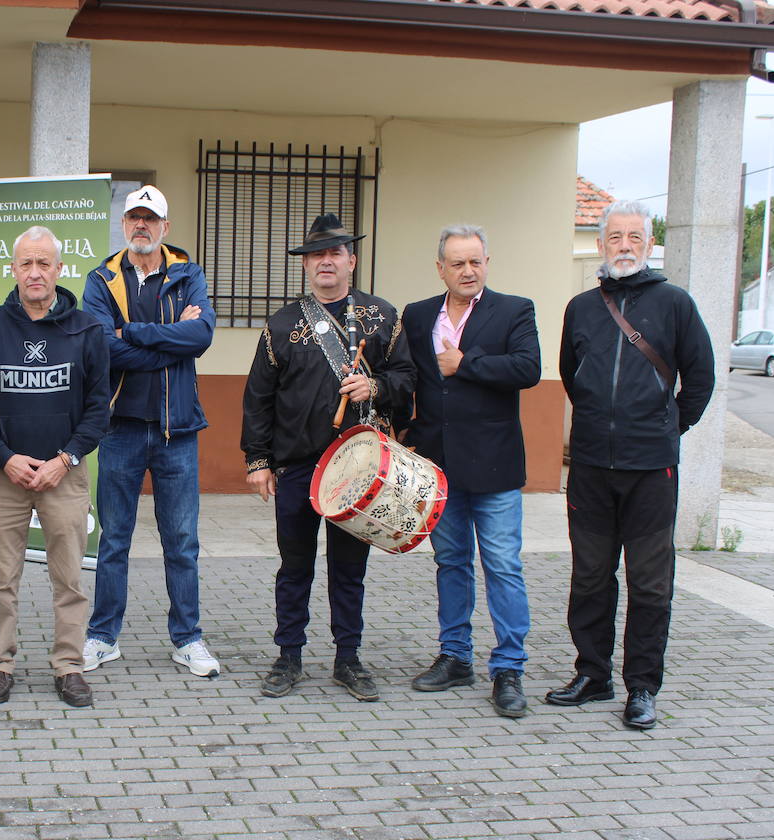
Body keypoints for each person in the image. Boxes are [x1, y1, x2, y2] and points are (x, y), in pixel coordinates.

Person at [547, 199, 713, 730]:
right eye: (614, 237)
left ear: (648, 244)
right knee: (591, 576)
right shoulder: (582, 307)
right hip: (592, 466)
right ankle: (593, 675)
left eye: (634, 238)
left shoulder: (675, 304)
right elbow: (571, 376)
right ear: (600, 244)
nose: (623, 246)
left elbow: (701, 380)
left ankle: (642, 686)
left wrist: (666, 428)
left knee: (650, 582)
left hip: (651, 469)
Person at [241, 213, 415, 701]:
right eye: (317, 254)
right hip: (297, 466)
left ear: (351, 261)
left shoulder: (383, 317)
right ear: (306, 265)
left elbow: (407, 379)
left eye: (335, 253)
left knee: (349, 569)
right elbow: (259, 397)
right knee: (294, 566)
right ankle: (289, 655)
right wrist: (258, 461)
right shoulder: (282, 324)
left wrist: (375, 385)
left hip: (360, 469)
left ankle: (348, 659)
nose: (325, 262)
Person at [0, 226, 109, 707]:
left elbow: (98, 410)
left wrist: (64, 459)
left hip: (63, 475)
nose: (35, 272)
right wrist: (5, 459)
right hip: (3, 476)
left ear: (59, 270)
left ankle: (69, 666)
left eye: (44, 263)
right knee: (1, 579)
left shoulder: (86, 329)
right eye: (26, 263)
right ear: (13, 269)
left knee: (69, 578)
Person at [400, 225, 541, 718]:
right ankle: (455, 656)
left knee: (503, 565)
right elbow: (408, 377)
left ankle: (509, 667)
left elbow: (527, 369)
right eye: (457, 263)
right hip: (439, 464)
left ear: (487, 262)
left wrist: (467, 363)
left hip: (496, 465)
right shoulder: (417, 315)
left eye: (475, 261)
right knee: (451, 563)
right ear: (440, 267)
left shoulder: (514, 309)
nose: (468, 271)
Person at [81, 185, 220, 678]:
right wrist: (169, 340)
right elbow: (100, 347)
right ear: (124, 225)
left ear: (165, 226)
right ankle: (102, 637)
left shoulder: (189, 274)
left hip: (176, 430)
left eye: (150, 219)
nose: (141, 225)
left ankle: (188, 639)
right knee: (113, 539)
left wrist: (133, 332)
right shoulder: (102, 279)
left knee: (181, 541)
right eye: (133, 218)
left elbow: (200, 336)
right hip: (119, 429)